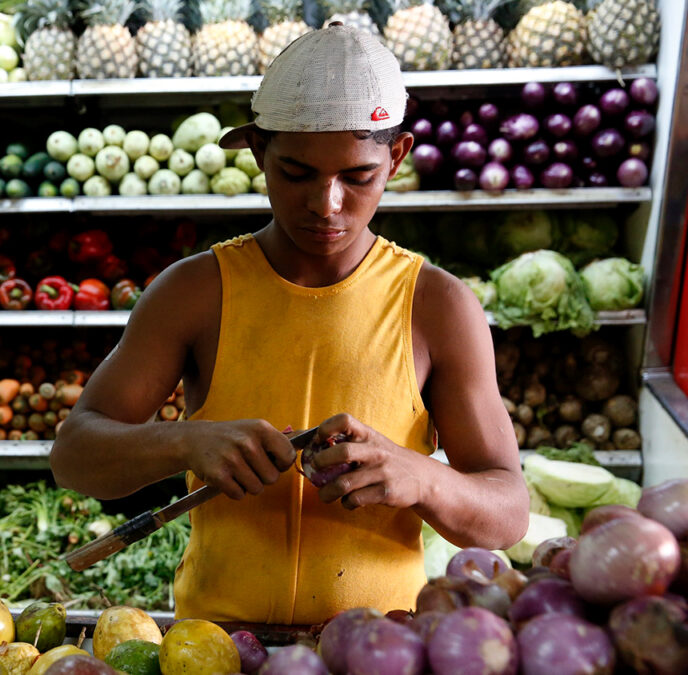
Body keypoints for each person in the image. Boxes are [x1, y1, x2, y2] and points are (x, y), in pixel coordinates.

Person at [49, 25, 529, 624]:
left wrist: (421, 477)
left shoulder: (435, 305)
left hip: (383, 650)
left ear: (397, 157)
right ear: (256, 153)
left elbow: (508, 514)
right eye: (296, 173)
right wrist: (186, 441)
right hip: (215, 649)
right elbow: (74, 455)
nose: (326, 205)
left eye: (358, 177)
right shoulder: (194, 291)